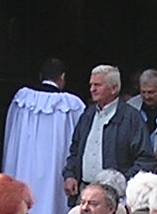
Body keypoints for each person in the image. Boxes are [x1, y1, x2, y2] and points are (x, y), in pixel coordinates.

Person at [1, 59, 86, 214]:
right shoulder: (71, 105)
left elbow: (11, 136)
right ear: (62, 78)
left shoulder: (22, 100)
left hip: (24, 167)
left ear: (41, 76)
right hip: (56, 170)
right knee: (53, 209)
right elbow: (80, 141)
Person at [63, 64, 148, 197]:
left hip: (116, 196)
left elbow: (146, 160)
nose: (92, 89)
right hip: (84, 191)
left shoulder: (132, 118)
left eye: (97, 85)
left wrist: (121, 183)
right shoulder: (87, 115)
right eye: (91, 85)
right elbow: (75, 151)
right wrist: (70, 175)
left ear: (114, 88)